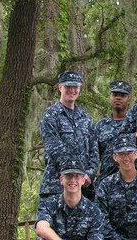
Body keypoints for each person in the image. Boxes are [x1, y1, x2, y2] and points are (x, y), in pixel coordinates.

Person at [39, 71, 98, 199]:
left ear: (79, 89)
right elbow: (54, 148)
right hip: (57, 186)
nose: (72, 90)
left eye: (75, 87)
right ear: (60, 88)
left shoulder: (86, 118)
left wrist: (88, 174)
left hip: (84, 188)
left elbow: (94, 151)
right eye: (68, 87)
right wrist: (75, 174)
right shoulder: (51, 115)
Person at [96, 81, 133, 185]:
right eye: (115, 95)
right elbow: (94, 155)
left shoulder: (135, 123)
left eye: (122, 95)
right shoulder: (101, 125)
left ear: (129, 99)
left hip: (130, 181)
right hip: (105, 181)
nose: (118, 98)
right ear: (110, 97)